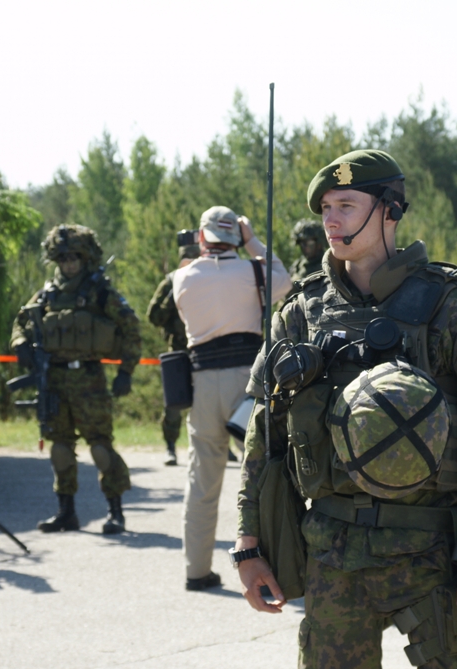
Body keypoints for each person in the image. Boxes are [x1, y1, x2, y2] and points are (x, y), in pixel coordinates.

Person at [232, 150, 457, 668]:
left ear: (390, 209)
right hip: (332, 552)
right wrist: (248, 542)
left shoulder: (449, 305)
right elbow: (266, 435)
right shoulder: (301, 312)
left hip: (430, 555)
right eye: (325, 206)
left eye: (346, 204)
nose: (331, 219)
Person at [172, 206, 290, 591]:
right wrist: (253, 241)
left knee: (202, 479)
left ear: (202, 237)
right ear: (236, 236)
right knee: (262, 474)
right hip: (247, 380)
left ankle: (196, 570)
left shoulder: (181, 278)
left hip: (202, 381)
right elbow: (285, 281)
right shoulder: (255, 272)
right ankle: (275, 564)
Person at [10, 224, 142, 535]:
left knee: (100, 447)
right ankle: (66, 512)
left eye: (74, 258)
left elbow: (131, 328)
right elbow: (20, 324)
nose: (69, 264)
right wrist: (19, 344)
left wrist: (126, 371)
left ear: (85, 259)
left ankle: (115, 512)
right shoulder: (46, 295)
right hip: (54, 380)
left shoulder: (100, 292)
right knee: (60, 449)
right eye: (63, 259)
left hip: (89, 379)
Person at [147, 241, 200, 466]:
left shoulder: (206, 279)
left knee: (209, 402)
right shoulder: (169, 282)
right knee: (174, 404)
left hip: (202, 347)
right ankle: (170, 447)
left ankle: (220, 448)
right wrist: (173, 295)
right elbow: (154, 316)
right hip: (178, 350)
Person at [287, 218, 327, 293]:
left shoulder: (328, 265)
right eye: (301, 242)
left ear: (319, 243)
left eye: (307, 241)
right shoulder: (298, 265)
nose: (303, 246)